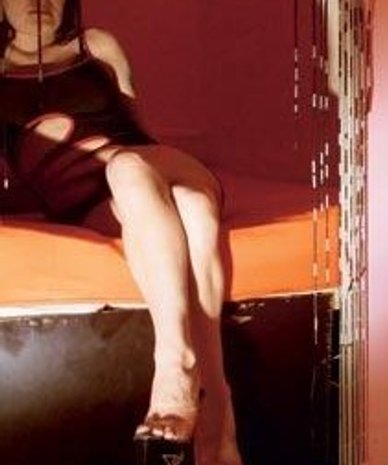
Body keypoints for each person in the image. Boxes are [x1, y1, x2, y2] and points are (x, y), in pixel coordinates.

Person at [0, 1, 241, 463]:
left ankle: (173, 364)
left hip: (155, 167)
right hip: (97, 205)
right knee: (193, 214)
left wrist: (142, 172)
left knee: (130, 167)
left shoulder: (96, 46)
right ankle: (218, 428)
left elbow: (138, 129)